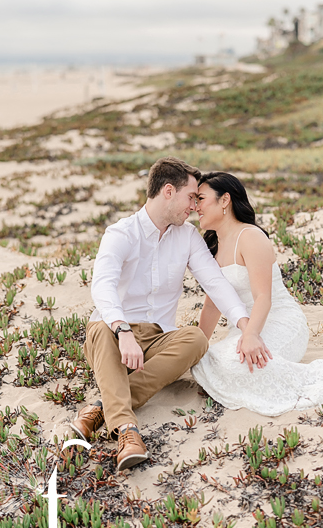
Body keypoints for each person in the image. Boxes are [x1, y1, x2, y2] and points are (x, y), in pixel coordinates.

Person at [70, 157, 258, 471]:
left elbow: (214, 281)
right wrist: (123, 331)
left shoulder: (186, 237)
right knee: (103, 325)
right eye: (191, 197)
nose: (195, 206)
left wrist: (244, 324)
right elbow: (102, 287)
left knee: (196, 339)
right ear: (168, 192)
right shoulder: (121, 233)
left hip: (158, 338)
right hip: (112, 336)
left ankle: (102, 408)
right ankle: (128, 432)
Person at [190, 172, 323, 415]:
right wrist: (195, 347)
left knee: (240, 365)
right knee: (208, 361)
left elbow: (263, 297)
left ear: (224, 200)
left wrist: (251, 335)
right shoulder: (214, 248)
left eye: (201, 199)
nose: (195, 207)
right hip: (240, 329)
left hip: (277, 322)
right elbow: (212, 306)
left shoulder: (250, 237)